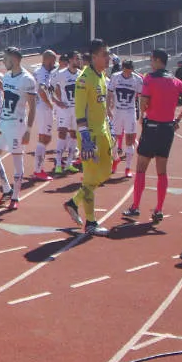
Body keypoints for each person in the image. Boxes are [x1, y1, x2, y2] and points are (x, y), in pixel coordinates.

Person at [122, 50, 182, 222]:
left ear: (157, 60)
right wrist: (178, 118)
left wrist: (142, 115)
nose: (150, 63)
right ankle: (159, 209)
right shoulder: (175, 81)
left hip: (152, 126)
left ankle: (135, 206)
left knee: (141, 168)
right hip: (167, 129)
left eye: (151, 60)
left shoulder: (149, 78)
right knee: (162, 171)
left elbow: (144, 101)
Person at [62, 40, 113, 236]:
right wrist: (86, 139)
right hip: (89, 135)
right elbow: (79, 111)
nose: (107, 58)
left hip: (103, 132)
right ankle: (91, 222)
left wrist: (111, 130)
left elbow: (102, 109)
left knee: (106, 173)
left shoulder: (101, 76)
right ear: (93, 56)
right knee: (91, 177)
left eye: (108, 54)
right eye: (104, 54)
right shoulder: (84, 79)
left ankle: (73, 202)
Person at [0, 47, 37, 209]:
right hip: (3, 123)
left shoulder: (28, 79)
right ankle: (6, 188)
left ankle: (15, 197)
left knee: (17, 160)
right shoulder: (8, 76)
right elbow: (8, 91)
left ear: (14, 59)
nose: (3, 61)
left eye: (5, 58)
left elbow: (32, 106)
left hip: (17, 126)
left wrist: (29, 130)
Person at [107, 60, 143, 178]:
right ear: (122, 69)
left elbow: (141, 97)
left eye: (130, 71)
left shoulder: (137, 79)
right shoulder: (115, 77)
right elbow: (110, 92)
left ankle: (127, 167)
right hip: (117, 112)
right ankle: (115, 160)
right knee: (114, 138)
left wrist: (142, 113)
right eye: (126, 71)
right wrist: (108, 107)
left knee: (130, 139)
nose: (127, 74)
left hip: (130, 111)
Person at [30, 49, 58, 181]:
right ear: (47, 60)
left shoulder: (47, 72)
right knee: (43, 138)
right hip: (43, 107)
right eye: (53, 60)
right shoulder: (41, 73)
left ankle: (38, 168)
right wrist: (50, 104)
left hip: (44, 107)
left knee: (46, 138)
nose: (55, 63)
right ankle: (37, 169)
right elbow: (41, 90)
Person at [51, 52, 80, 175]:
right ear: (70, 60)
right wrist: (57, 102)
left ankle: (69, 163)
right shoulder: (61, 74)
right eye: (76, 59)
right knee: (62, 133)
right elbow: (49, 88)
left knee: (73, 135)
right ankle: (58, 163)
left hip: (77, 109)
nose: (78, 61)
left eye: (79, 59)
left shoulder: (81, 75)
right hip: (65, 109)